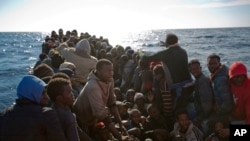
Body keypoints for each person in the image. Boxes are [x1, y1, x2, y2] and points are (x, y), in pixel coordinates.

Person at [73, 59, 127, 141]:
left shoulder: (109, 80)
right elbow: (101, 114)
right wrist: (119, 136)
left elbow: (111, 102)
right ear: (98, 71)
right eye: (108, 71)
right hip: (82, 119)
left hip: (94, 117)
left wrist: (120, 123)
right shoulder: (93, 86)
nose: (111, 73)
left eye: (112, 70)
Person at [0, 75, 67, 141]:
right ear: (32, 93)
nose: (47, 97)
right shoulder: (47, 114)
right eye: (42, 93)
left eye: (46, 93)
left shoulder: (3, 114)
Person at [141, 33, 194, 111]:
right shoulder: (183, 51)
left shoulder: (165, 53)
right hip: (189, 82)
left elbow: (148, 58)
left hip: (177, 86)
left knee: (178, 108)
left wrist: (141, 55)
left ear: (167, 42)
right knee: (187, 105)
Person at [188, 59, 214, 133]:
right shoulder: (198, 80)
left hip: (205, 114)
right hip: (200, 110)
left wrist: (200, 117)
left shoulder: (203, 82)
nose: (195, 71)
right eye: (192, 69)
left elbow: (207, 103)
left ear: (201, 68)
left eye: (196, 68)